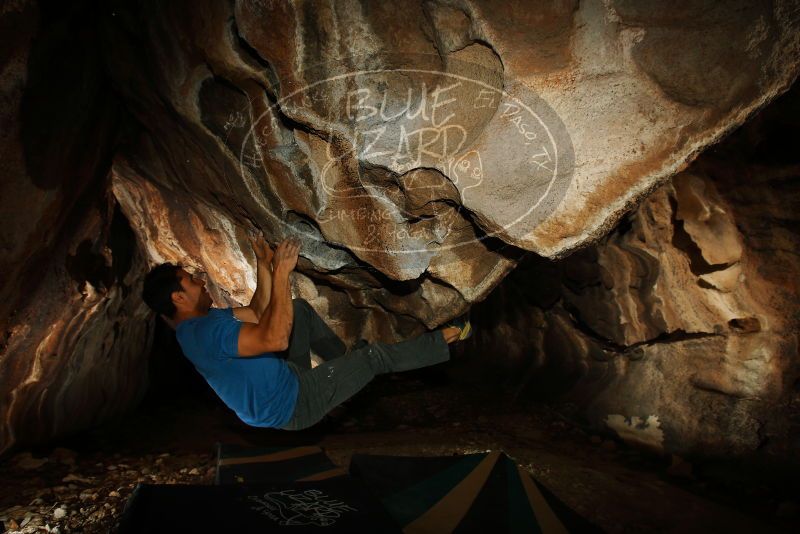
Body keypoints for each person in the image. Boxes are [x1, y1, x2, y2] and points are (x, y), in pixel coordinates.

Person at [141, 234, 472, 431]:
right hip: (295, 404)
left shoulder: (199, 325)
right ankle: (441, 342)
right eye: (191, 280)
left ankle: (343, 364)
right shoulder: (204, 334)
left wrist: (265, 265)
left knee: (297, 310)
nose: (200, 281)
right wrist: (283, 272)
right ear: (178, 297)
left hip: (286, 378)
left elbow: (258, 310)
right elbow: (275, 339)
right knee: (373, 357)